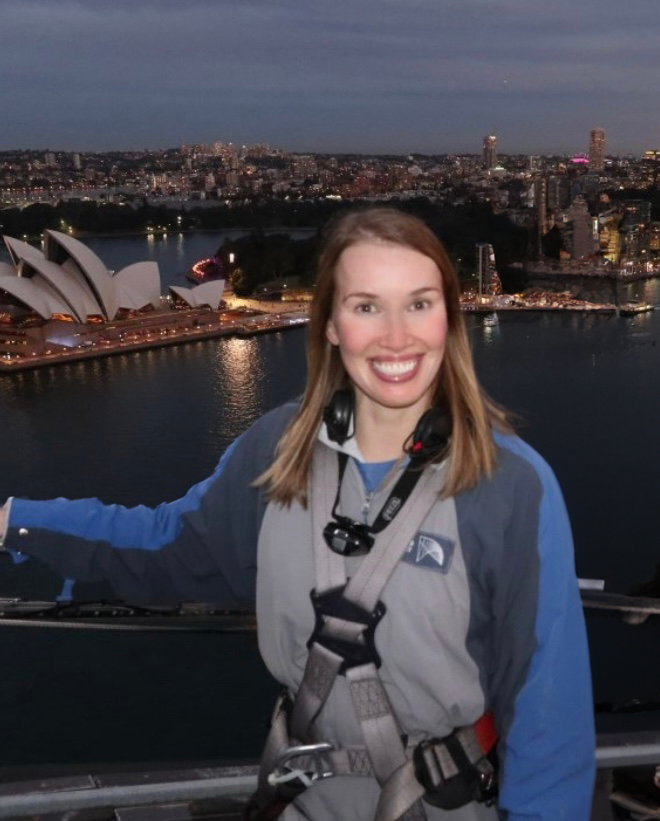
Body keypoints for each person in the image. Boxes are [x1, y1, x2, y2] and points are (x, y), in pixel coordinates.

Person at [0, 208, 595, 820]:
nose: (397, 336)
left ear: (450, 318)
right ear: (332, 326)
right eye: (366, 306)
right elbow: (169, 547)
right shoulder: (278, 450)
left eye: (419, 304)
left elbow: (549, 713)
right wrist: (16, 519)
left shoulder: (509, 484)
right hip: (305, 801)